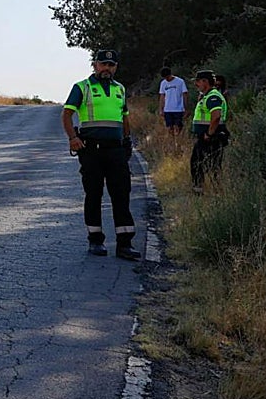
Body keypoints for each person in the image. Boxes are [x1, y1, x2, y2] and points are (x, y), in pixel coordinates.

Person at [61, 49, 140, 260]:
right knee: (94, 194)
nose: (107, 68)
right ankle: (95, 240)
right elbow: (67, 114)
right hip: (91, 151)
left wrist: (127, 141)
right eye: (103, 64)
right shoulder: (82, 87)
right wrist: (72, 138)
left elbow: (124, 118)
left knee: (121, 195)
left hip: (116, 150)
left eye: (111, 65)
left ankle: (125, 244)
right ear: (95, 65)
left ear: (116, 67)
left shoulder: (120, 89)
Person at [190, 69, 229, 194]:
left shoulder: (213, 96)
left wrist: (209, 134)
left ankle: (208, 191)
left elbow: (216, 116)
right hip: (207, 136)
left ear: (205, 81)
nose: (196, 84)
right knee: (200, 163)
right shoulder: (207, 96)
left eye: (198, 82)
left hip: (212, 137)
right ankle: (204, 190)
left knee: (206, 165)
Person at [157, 67, 189, 136]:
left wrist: (186, 108)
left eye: (167, 77)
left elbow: (185, 94)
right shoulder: (163, 83)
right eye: (165, 77)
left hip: (178, 109)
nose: (166, 79)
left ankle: (178, 140)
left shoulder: (180, 81)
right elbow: (162, 96)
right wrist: (161, 109)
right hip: (167, 109)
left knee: (178, 127)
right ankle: (172, 141)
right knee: (169, 128)